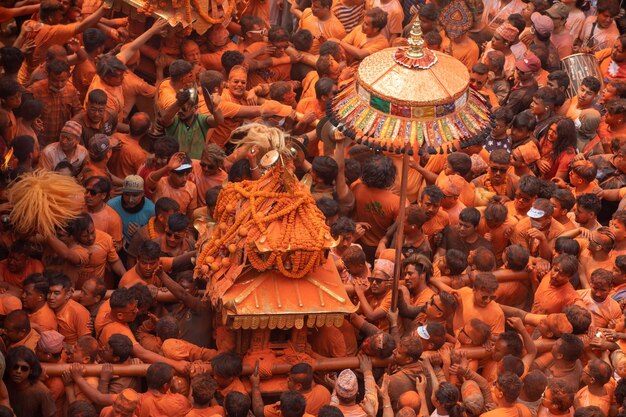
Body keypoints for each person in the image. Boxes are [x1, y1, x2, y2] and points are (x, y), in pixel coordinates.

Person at [5, 346, 55, 417]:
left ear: (31, 371)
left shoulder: (42, 392)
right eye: (15, 367)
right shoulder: (5, 385)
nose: (18, 371)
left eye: (24, 368)